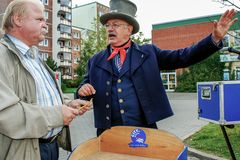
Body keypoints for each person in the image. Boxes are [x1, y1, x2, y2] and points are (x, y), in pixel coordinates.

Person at [76, 0, 238, 136]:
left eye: (116, 24)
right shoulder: (95, 60)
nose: (110, 29)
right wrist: (82, 91)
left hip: (144, 131)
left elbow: (183, 56)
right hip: (107, 133)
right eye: (107, 25)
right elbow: (83, 90)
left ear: (129, 29)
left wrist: (214, 39)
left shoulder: (148, 53)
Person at [0, 0, 91, 160]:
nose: (46, 24)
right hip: (24, 151)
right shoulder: (2, 56)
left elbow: (38, 98)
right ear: (18, 20)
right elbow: (6, 115)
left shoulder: (34, 56)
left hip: (51, 147)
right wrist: (57, 115)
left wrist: (66, 105)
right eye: (39, 19)